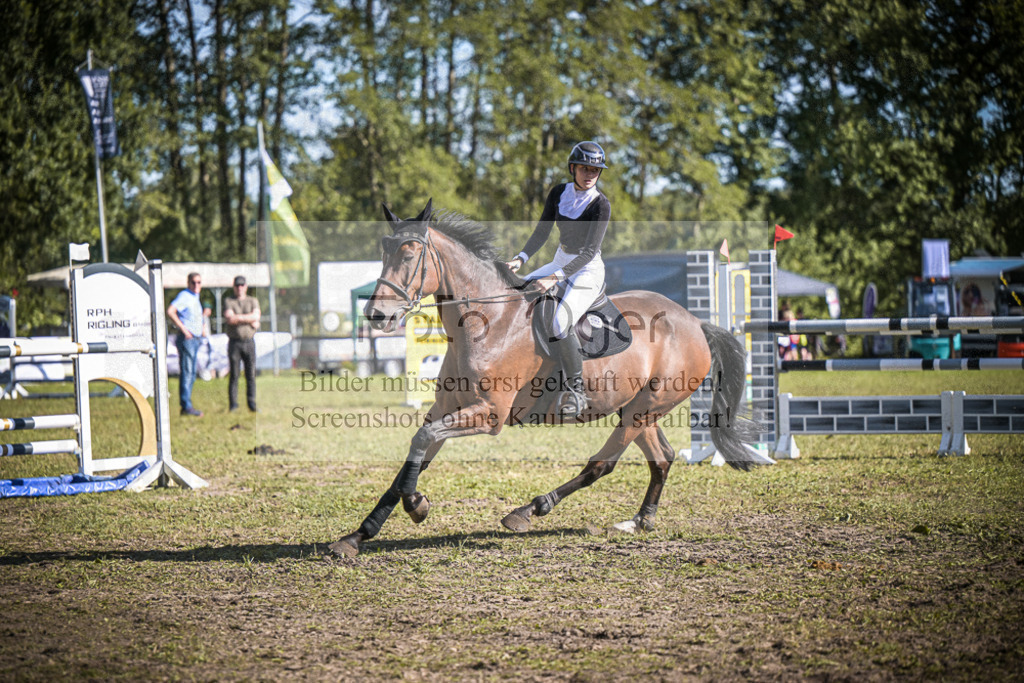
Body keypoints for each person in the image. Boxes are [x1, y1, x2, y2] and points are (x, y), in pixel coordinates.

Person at [506, 141, 611, 418]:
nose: (590, 174)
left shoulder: (601, 205)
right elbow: (542, 231)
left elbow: (589, 253)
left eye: (596, 170)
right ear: (573, 168)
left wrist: (555, 277)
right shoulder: (558, 193)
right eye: (585, 168)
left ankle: (575, 389)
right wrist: (521, 258)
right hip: (561, 259)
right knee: (516, 291)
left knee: (559, 321)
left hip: (587, 269)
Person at [167, 272, 210, 417]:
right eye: (193, 282)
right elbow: (171, 311)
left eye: (199, 282)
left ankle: (187, 405)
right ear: (188, 283)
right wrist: (185, 330)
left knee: (191, 373)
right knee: (187, 373)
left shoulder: (194, 297)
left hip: (195, 339)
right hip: (188, 339)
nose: (196, 285)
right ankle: (186, 406)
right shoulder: (185, 296)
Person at [223, 275, 261, 412]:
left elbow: (256, 316)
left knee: (251, 374)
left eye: (242, 285)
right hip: (235, 342)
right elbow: (230, 319)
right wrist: (250, 320)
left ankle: (252, 403)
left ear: (246, 286)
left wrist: (238, 318)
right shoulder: (229, 300)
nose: (240, 288)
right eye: (237, 285)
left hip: (249, 342)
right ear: (234, 287)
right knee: (234, 374)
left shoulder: (252, 300)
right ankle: (233, 404)